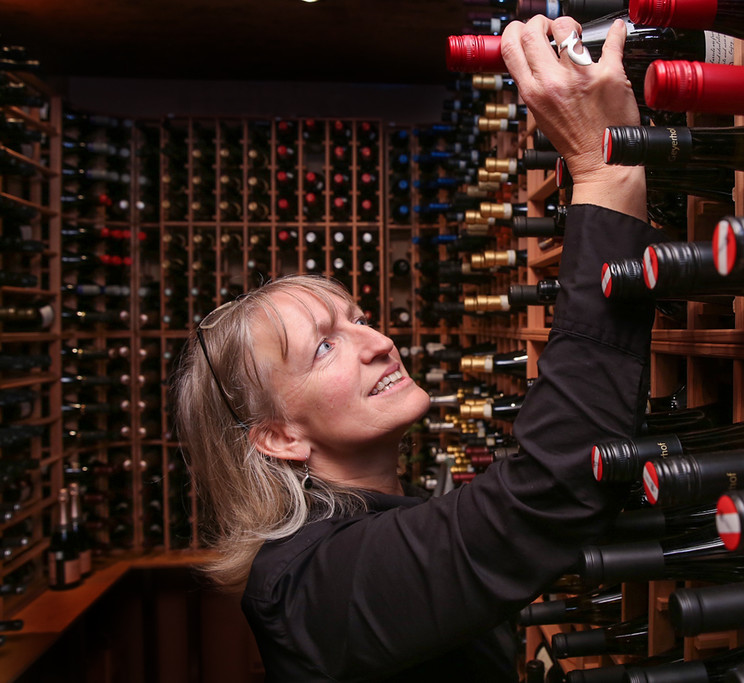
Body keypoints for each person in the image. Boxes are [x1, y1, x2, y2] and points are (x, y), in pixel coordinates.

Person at [174, 14, 662, 682]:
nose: (378, 342)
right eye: (324, 347)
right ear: (279, 436)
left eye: (359, 319)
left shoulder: (368, 530)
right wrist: (602, 174)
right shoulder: (311, 586)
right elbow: (547, 491)